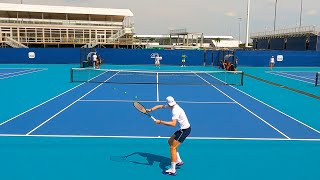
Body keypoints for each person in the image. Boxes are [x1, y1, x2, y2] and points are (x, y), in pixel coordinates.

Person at [147, 96, 191, 176]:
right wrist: (150, 109)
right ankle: (178, 161)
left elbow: (173, 124)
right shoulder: (171, 105)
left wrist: (160, 121)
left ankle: (173, 170)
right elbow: (160, 106)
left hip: (184, 131)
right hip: (182, 129)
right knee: (170, 141)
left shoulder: (175, 110)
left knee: (172, 147)